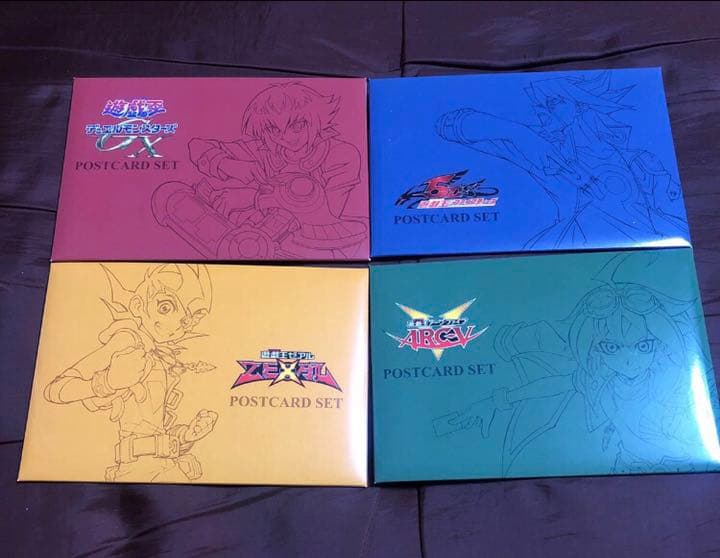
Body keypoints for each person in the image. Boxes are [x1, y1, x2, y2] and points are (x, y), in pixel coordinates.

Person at [436, 72, 688, 248]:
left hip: (643, 257)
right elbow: (450, 125)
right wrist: (520, 133)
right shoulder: (540, 148)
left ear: (579, 105)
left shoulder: (641, 160)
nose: (542, 110)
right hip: (572, 252)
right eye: (539, 104)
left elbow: (674, 222)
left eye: (553, 102)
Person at [44, 264, 218, 482]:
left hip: (159, 467)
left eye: (187, 320)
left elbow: (152, 427)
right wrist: (107, 382)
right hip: (137, 469)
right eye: (165, 307)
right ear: (137, 305)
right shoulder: (127, 340)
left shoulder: (159, 359)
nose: (175, 325)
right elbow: (55, 390)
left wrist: (186, 436)